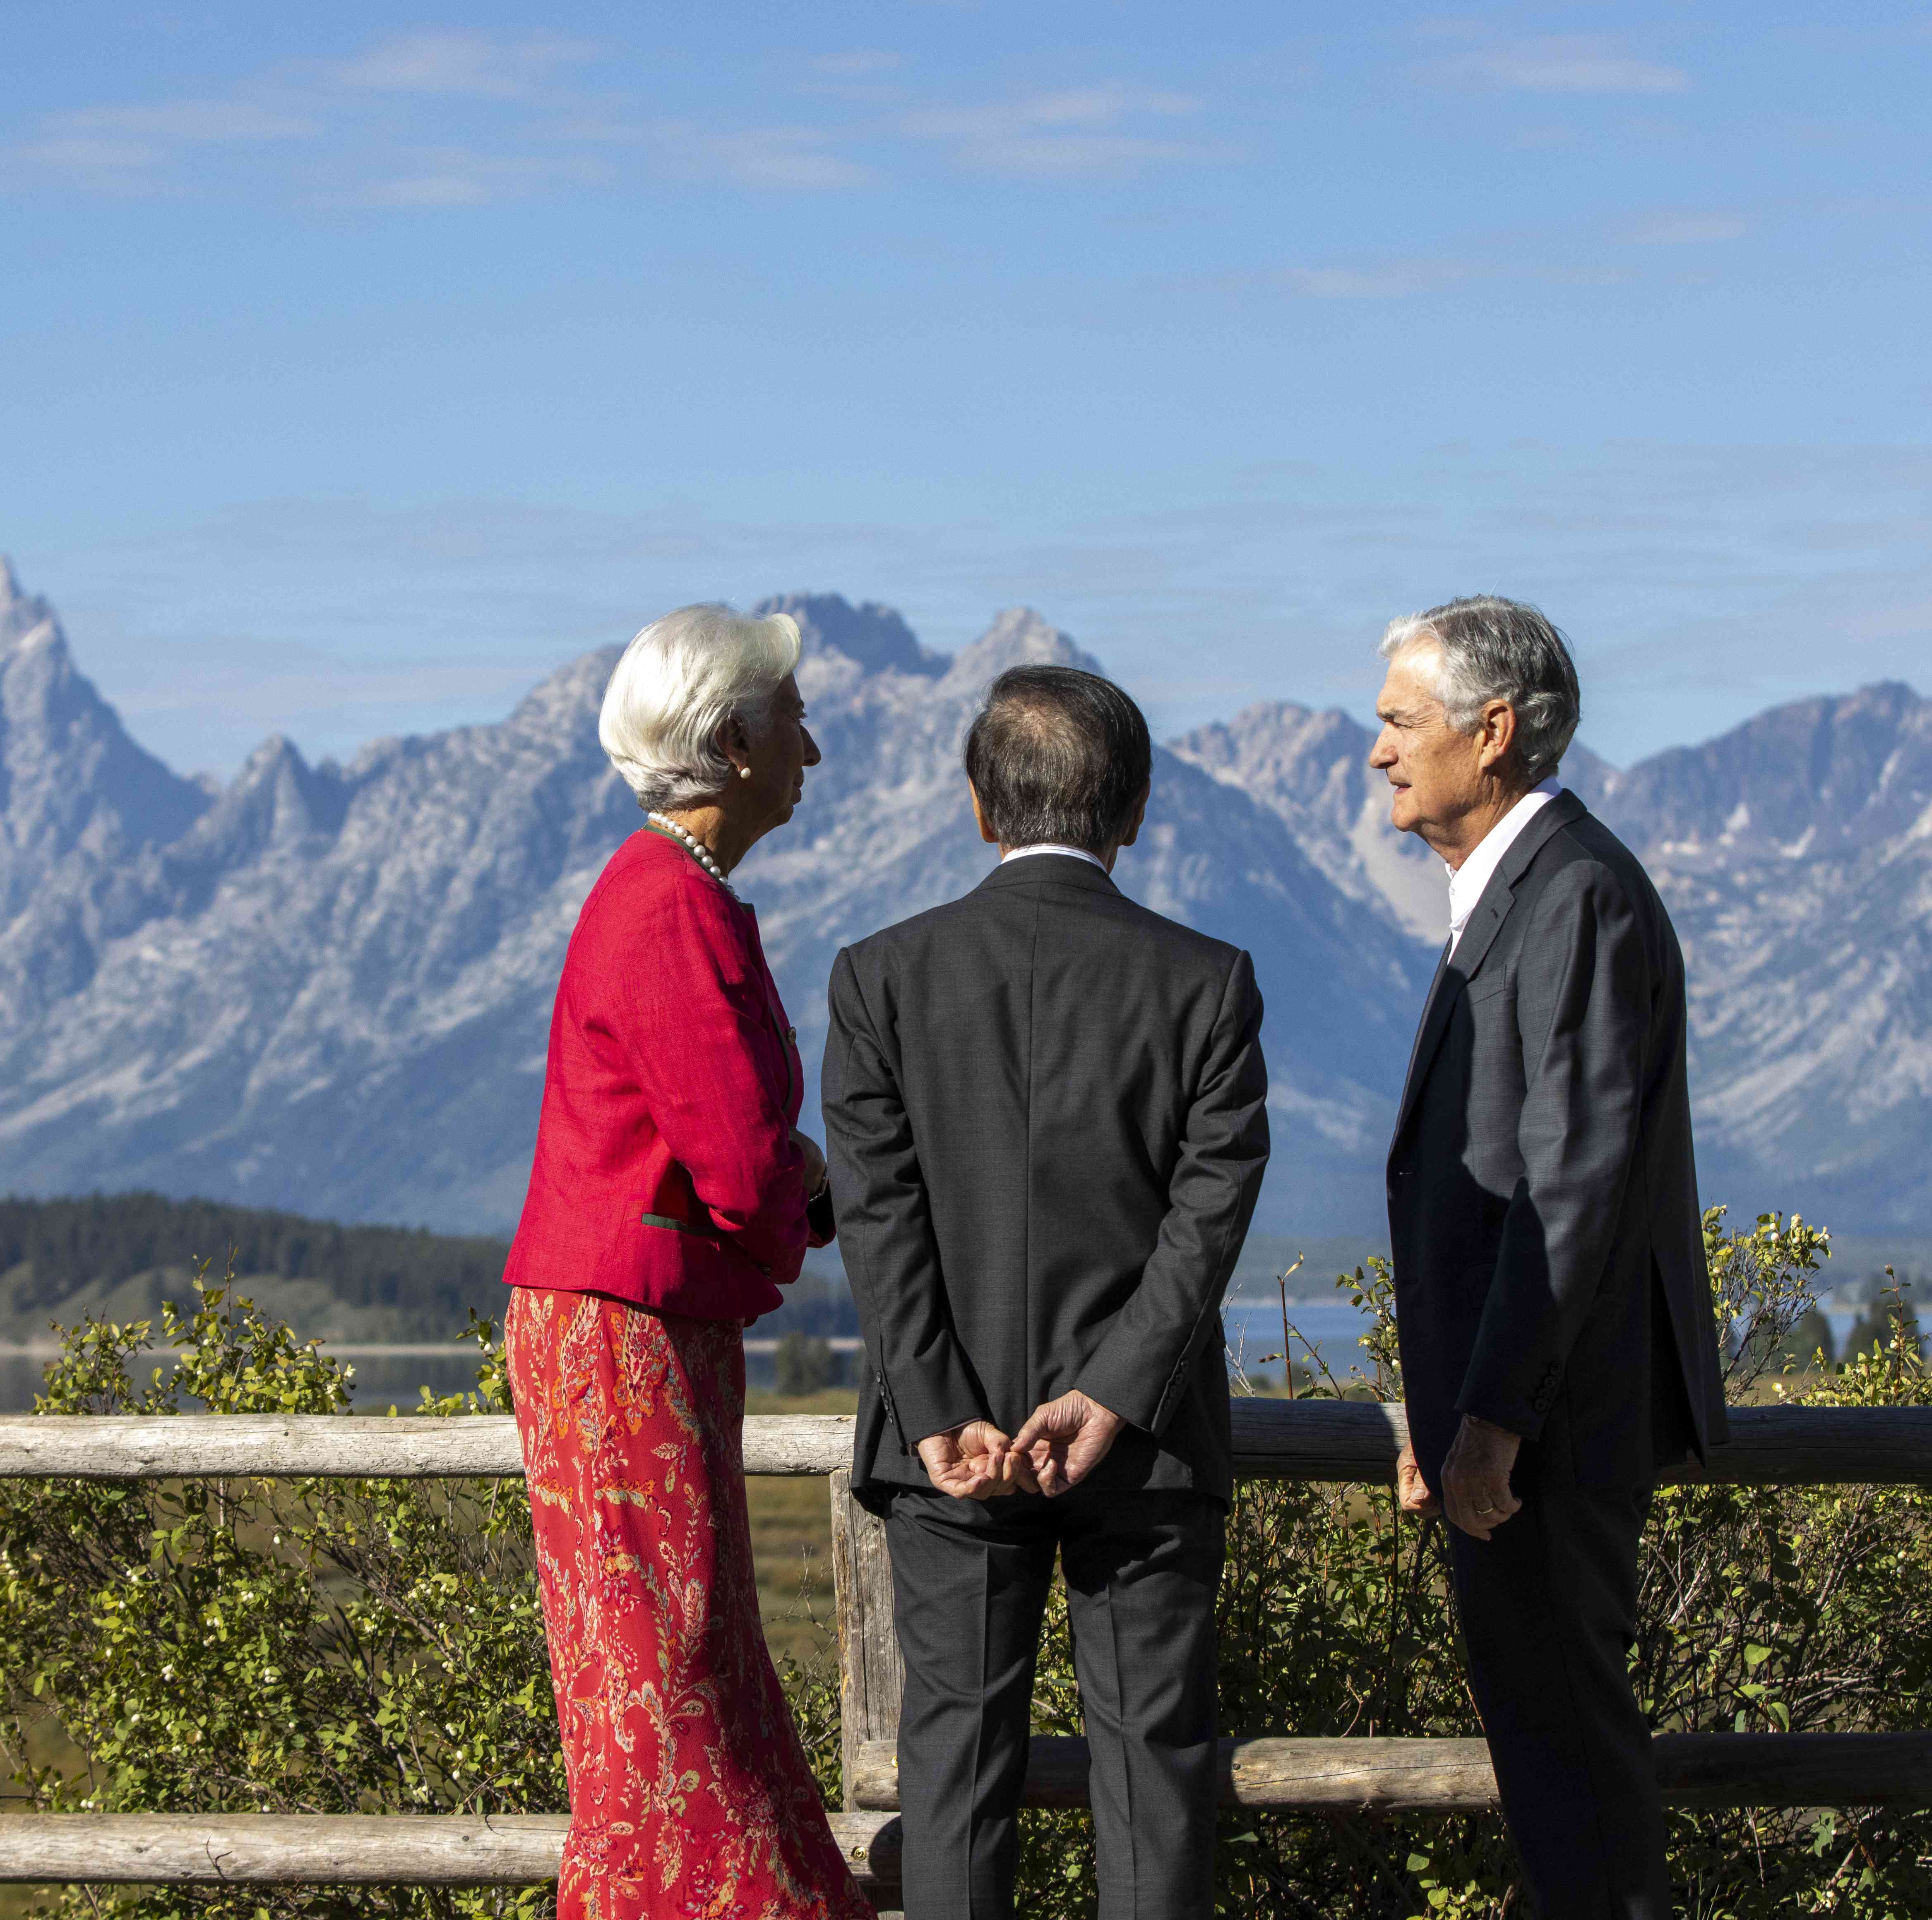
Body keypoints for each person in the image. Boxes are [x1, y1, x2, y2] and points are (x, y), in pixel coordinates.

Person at [824, 664, 1270, 1920]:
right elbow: (1209, 1215)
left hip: (947, 1456)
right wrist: (1116, 1395)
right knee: (1155, 1775)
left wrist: (936, 1411)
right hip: (1145, 1453)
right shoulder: (1210, 982)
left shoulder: (879, 978)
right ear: (1132, 812)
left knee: (954, 1777)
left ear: (979, 804)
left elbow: (880, 1219)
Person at [502, 603, 871, 1920]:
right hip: (620, 1332)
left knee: (671, 1658)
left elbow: (733, 1144)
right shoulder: (666, 905)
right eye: (794, 721)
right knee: (664, 1672)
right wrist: (814, 1195)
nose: (812, 751)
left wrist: (789, 1178)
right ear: (730, 742)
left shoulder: (672, 893)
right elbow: (733, 1157)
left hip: (633, 1323)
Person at [1370, 595, 1730, 1920]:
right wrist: (1451, 1399)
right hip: (1518, 1420)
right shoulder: (1529, 891)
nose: (1380, 752)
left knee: (1572, 1766)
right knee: (1550, 1760)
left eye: (1402, 721)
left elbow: (1565, 1187)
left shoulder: (1570, 895)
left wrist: (1494, 1418)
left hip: (1550, 1434)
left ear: (1497, 730)